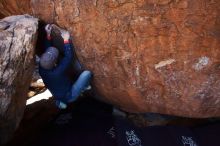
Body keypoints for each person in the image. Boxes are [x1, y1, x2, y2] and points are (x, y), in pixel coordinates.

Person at [39, 24, 92, 109]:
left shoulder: (42, 67)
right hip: (69, 95)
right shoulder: (57, 72)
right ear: (54, 64)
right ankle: (84, 86)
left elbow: (47, 51)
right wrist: (66, 39)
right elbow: (68, 57)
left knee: (60, 88)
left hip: (57, 91)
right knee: (87, 74)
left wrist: (48, 34)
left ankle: (59, 102)